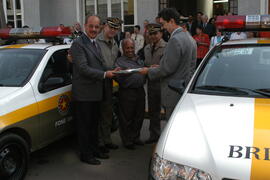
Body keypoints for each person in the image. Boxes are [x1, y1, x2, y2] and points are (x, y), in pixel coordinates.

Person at [70, 15, 118, 165]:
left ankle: (94, 150)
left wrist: (111, 70)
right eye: (91, 26)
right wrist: (105, 74)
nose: (94, 29)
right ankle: (86, 154)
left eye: (96, 27)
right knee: (85, 126)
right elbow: (83, 68)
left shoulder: (94, 43)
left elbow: (99, 64)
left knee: (93, 125)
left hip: (95, 93)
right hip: (84, 94)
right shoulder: (78, 44)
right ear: (85, 26)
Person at [140, 8, 197, 120]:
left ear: (171, 21)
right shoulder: (189, 38)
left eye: (163, 24)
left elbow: (167, 69)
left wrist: (148, 71)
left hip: (173, 92)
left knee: (172, 127)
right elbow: (185, 66)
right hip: (184, 90)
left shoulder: (175, 39)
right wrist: (160, 67)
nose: (163, 27)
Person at [96, 17, 123, 153]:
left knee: (107, 112)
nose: (113, 30)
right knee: (99, 114)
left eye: (116, 28)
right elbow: (94, 65)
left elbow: (113, 62)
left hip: (109, 81)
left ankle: (107, 140)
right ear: (104, 26)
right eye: (111, 27)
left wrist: (116, 69)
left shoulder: (114, 43)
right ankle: (99, 143)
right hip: (97, 81)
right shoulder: (96, 42)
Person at [115, 38, 146, 150]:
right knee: (126, 118)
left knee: (139, 116)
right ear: (123, 49)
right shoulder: (119, 61)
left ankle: (135, 137)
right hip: (127, 92)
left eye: (131, 47)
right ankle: (127, 140)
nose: (130, 50)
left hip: (140, 91)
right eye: (127, 48)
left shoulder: (139, 59)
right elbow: (118, 77)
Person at [144, 23, 167, 144]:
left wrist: (158, 67)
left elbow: (169, 66)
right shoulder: (147, 48)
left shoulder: (167, 47)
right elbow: (146, 65)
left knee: (168, 111)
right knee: (153, 112)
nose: (153, 36)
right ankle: (154, 135)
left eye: (155, 33)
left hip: (163, 84)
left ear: (161, 33)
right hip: (152, 84)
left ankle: (168, 138)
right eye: (151, 33)